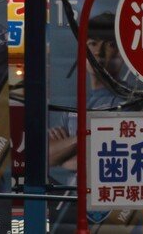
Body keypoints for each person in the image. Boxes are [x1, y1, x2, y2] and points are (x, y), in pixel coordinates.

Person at [48, 12, 132, 170]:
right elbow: (49, 157)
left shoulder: (128, 100)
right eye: (92, 43)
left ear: (121, 53)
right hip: (71, 193)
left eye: (109, 45)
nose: (98, 52)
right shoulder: (76, 105)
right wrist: (91, 135)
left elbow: (116, 158)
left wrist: (66, 152)